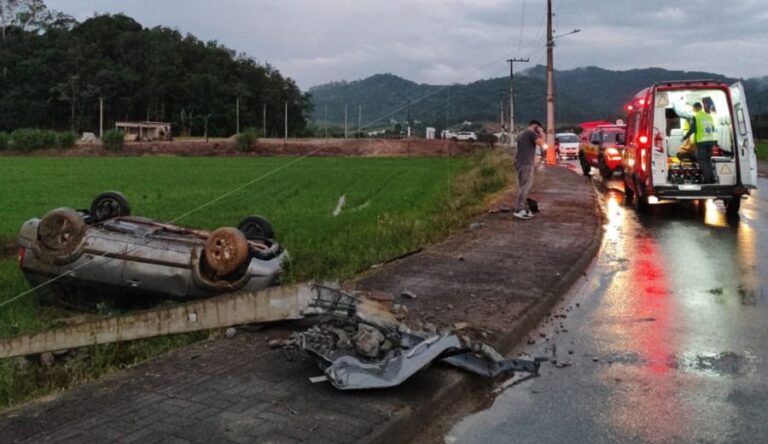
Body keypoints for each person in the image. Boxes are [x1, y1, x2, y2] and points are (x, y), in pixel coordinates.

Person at [513, 120, 545, 220]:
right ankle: (519, 210)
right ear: (536, 126)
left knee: (523, 186)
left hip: (520, 162)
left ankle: (521, 207)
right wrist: (542, 133)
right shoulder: (531, 133)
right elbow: (542, 144)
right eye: (538, 128)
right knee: (525, 187)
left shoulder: (523, 133)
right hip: (526, 164)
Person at [682, 102, 717, 183]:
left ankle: (707, 180)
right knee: (708, 160)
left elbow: (692, 129)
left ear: (695, 108)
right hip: (710, 141)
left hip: (701, 142)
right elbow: (713, 128)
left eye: (693, 108)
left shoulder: (695, 116)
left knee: (702, 160)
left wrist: (685, 137)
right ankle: (712, 179)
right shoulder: (708, 116)